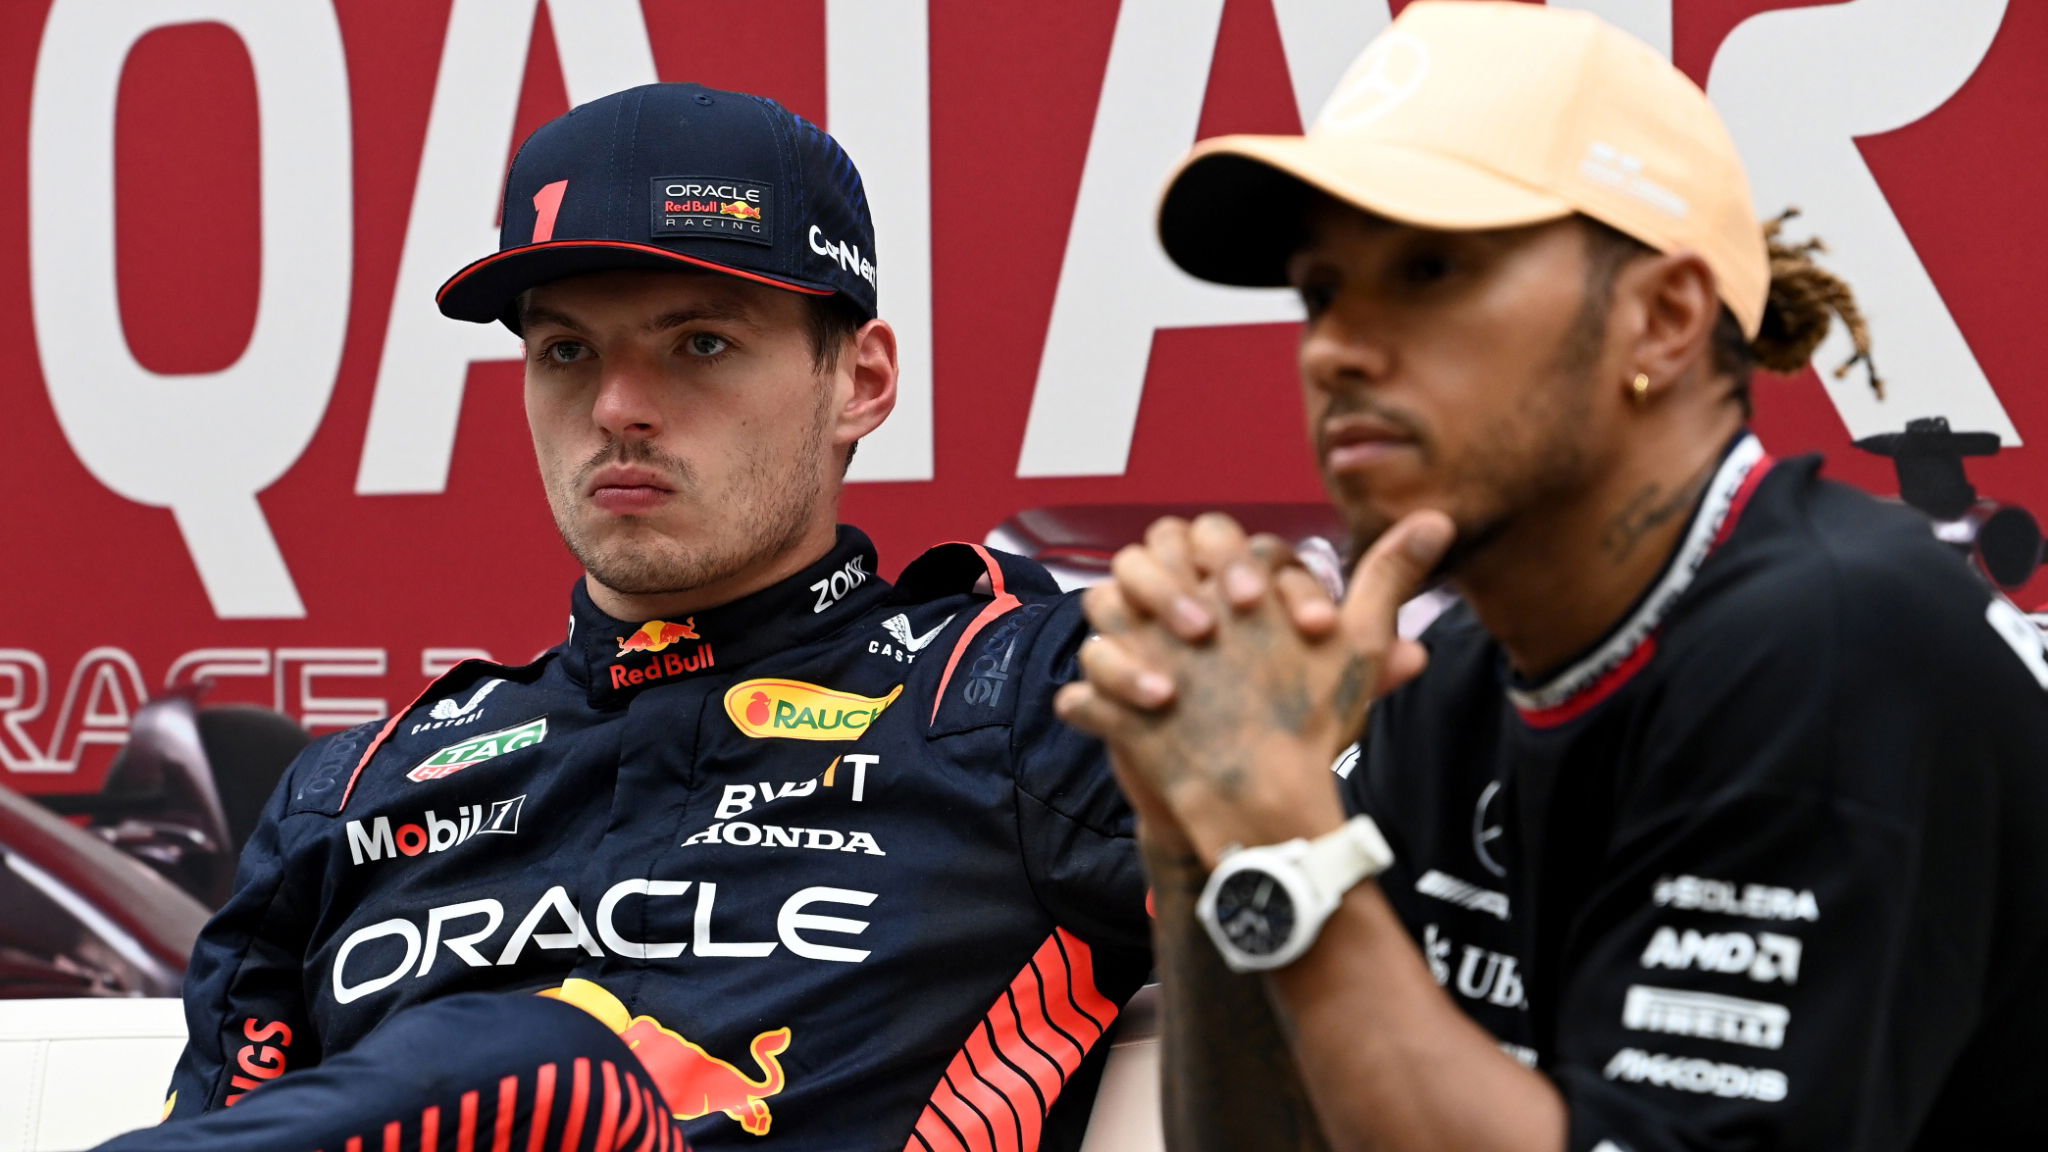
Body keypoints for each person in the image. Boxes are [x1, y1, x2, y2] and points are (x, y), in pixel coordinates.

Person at [1056, 3, 2048, 1150]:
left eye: (1428, 270)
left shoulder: (1835, 640)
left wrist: (1289, 838)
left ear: (1663, 319)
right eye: (1320, 292)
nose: (1334, 348)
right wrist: (1204, 832)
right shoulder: (1452, 684)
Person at [129, 82, 1150, 1152]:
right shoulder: (352, 793)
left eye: (699, 343)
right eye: (566, 352)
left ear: (860, 379)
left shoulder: (1022, 702)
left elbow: (1277, 904)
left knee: (539, 1062)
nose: (616, 409)